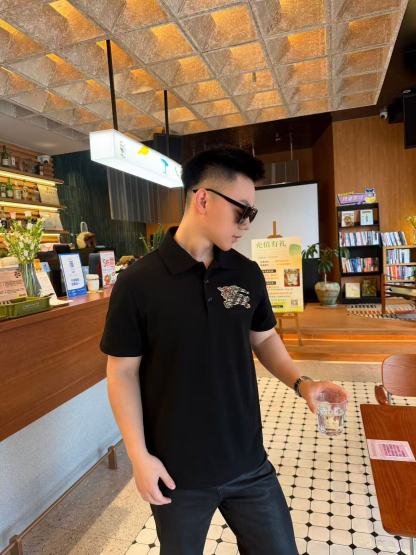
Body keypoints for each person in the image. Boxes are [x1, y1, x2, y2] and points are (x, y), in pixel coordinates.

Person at [100, 147, 348, 555]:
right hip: (177, 472)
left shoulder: (245, 273)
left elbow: (263, 338)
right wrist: (138, 455)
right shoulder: (138, 283)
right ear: (203, 199)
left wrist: (303, 383)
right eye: (242, 212)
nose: (247, 224)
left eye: (251, 214)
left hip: (248, 462)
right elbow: (122, 372)